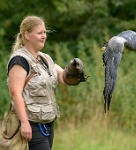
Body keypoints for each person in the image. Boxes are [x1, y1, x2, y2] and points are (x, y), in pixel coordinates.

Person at [7, 15, 86, 150]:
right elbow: (15, 93)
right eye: (39, 33)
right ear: (27, 35)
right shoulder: (20, 60)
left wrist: (73, 70)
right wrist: (25, 123)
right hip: (31, 125)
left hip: (47, 123)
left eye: (44, 32)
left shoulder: (44, 58)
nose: (44, 36)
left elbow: (62, 77)